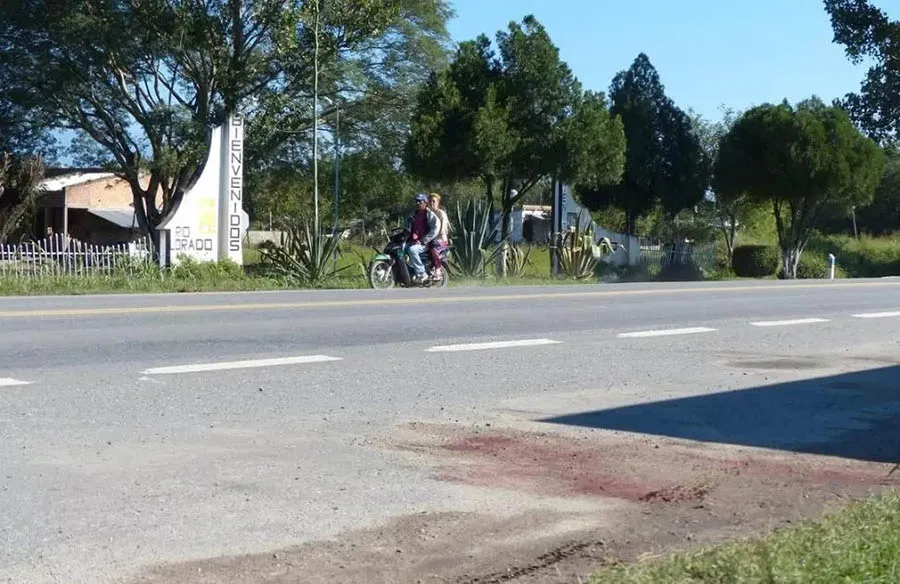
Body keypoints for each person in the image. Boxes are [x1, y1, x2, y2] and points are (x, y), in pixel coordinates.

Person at [405, 193, 439, 282]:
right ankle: (408, 273)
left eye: (420, 201)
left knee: (412, 250)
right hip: (413, 241)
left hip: (425, 243)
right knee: (401, 249)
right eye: (417, 201)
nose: (418, 203)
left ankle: (422, 273)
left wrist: (423, 240)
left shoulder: (429, 215)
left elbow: (435, 229)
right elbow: (406, 227)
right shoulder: (413, 215)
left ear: (425, 203)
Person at [428, 192, 450, 279]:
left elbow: (443, 230)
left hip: (441, 241)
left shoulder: (441, 214)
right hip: (430, 240)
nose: (432, 203)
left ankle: (437, 269)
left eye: (434, 201)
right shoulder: (428, 214)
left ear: (438, 203)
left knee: (434, 249)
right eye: (430, 201)